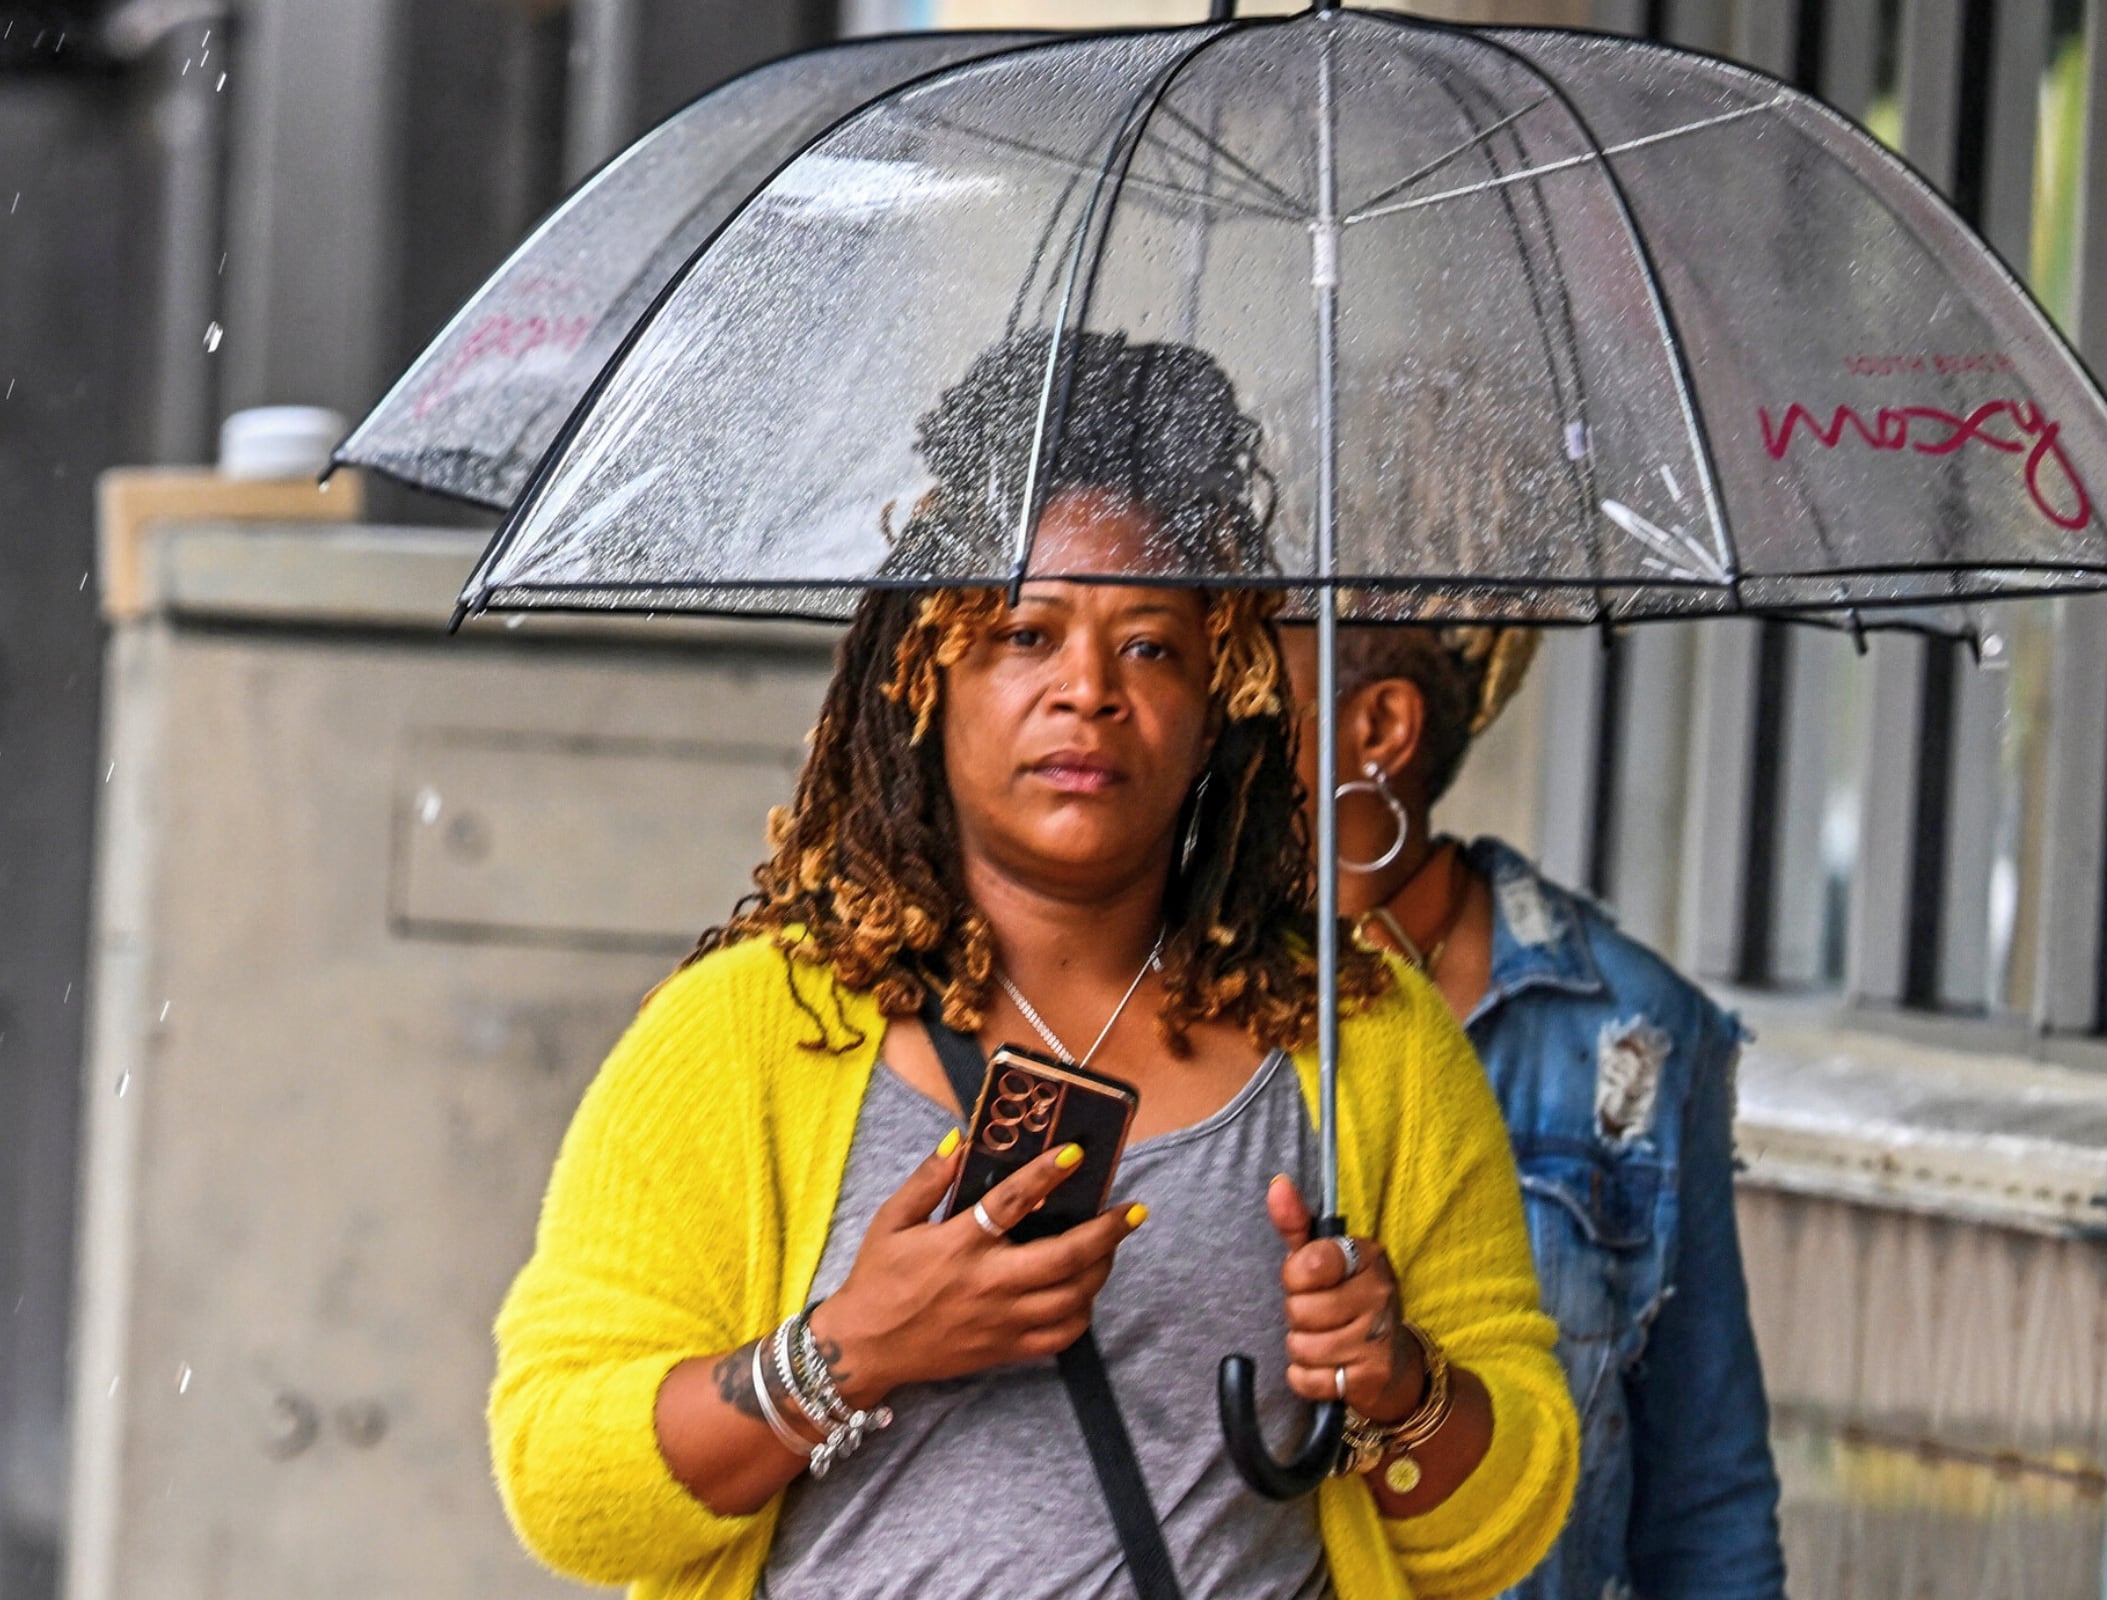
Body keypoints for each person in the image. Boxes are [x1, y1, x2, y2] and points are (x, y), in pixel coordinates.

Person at [489, 331, 1576, 1600]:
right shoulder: (746, 1033)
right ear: (926, 674)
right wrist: (852, 1348)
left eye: (1152, 645)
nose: (1089, 692)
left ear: (1223, 689)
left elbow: (1510, 1520)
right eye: (1025, 633)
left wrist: (1402, 1386)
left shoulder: (1363, 1039)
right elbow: (563, 1478)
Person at [1278, 624, 1787, 1600]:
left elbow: (1703, 1494)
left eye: (1256, 686)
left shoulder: (1634, 1033)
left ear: (1379, 724)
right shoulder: (1159, 1009)